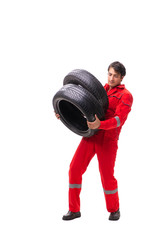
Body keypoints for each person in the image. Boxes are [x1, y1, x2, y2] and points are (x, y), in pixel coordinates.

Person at [55, 61, 133, 221]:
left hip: (108, 140)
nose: (111, 78)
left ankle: (114, 209)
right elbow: (83, 106)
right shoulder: (100, 91)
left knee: (106, 176)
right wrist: (64, 113)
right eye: (110, 74)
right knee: (74, 168)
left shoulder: (126, 95)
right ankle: (74, 209)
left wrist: (101, 124)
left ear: (122, 77)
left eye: (115, 76)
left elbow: (119, 120)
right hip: (91, 136)